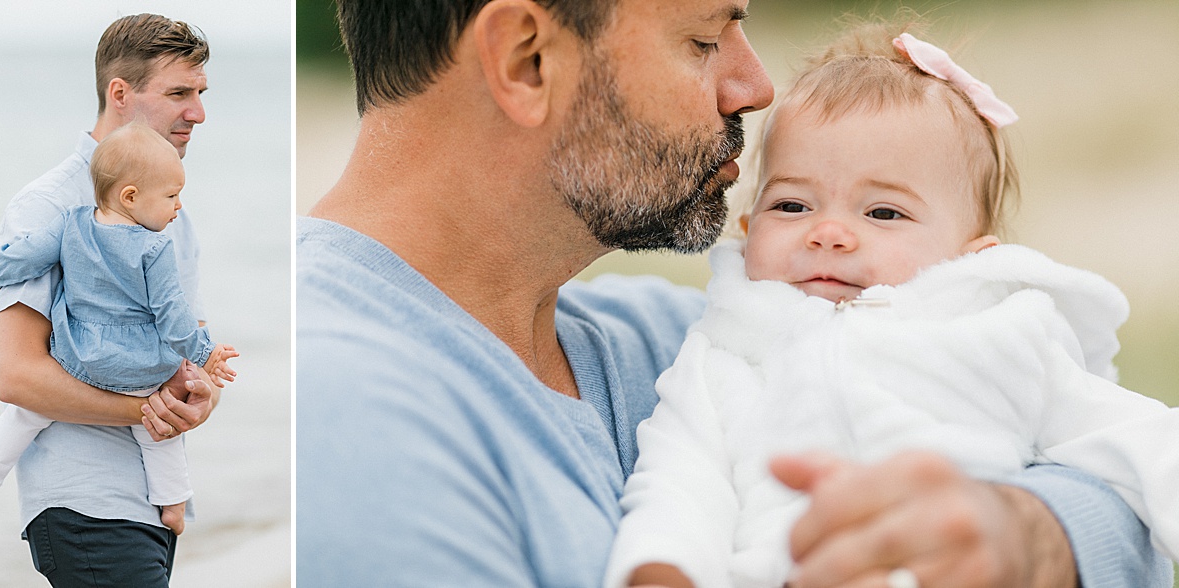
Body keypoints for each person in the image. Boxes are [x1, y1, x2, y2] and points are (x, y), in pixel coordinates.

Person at [297, 2, 1169, 586]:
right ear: (527, 59)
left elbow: (1111, 473)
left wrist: (1028, 535)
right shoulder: (345, 422)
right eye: (706, 38)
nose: (756, 87)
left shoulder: (705, 330)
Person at [604, 20, 1179, 588]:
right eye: (791, 206)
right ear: (747, 230)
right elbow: (683, 475)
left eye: (882, 213)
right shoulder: (722, 354)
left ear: (969, 258)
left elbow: (1144, 443)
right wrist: (663, 564)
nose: (828, 232)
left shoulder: (1000, 335)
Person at [0, 14, 219, 587]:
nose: (198, 113)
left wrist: (200, 397)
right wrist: (148, 411)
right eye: (179, 93)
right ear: (120, 94)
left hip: (150, 503)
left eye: (201, 94)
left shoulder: (167, 210)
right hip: (84, 504)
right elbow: (16, 378)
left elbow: (176, 355)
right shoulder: (48, 206)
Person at [0, 123, 239, 536]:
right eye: (172, 196)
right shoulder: (155, 248)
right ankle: (173, 505)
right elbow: (174, 317)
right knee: (158, 430)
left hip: (78, 356)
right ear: (131, 196)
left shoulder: (70, 223)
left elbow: (26, 256)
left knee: (30, 412)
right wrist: (205, 350)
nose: (178, 206)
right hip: (138, 366)